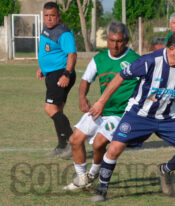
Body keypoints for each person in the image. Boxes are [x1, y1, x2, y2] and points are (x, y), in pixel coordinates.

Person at [89, 31, 175, 202]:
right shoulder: (150, 61)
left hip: (169, 117)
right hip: (139, 115)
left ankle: (164, 171)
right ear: (172, 49)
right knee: (114, 149)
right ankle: (102, 188)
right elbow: (120, 77)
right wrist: (101, 102)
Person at [62, 21, 140, 191]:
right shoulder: (99, 58)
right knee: (75, 140)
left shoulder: (135, 60)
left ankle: (93, 173)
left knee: (98, 143)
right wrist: (82, 97)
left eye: (119, 41)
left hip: (120, 114)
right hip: (100, 109)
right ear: (107, 39)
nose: (115, 45)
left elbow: (147, 85)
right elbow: (85, 80)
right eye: (111, 40)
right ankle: (83, 178)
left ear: (126, 40)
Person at [36, 2, 76, 158]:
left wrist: (66, 74)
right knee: (58, 111)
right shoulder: (47, 29)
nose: (49, 19)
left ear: (58, 16)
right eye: (46, 16)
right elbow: (47, 49)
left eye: (52, 15)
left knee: (50, 109)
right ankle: (62, 145)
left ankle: (74, 143)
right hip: (51, 74)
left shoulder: (63, 33)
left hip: (61, 74)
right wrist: (42, 67)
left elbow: (72, 55)